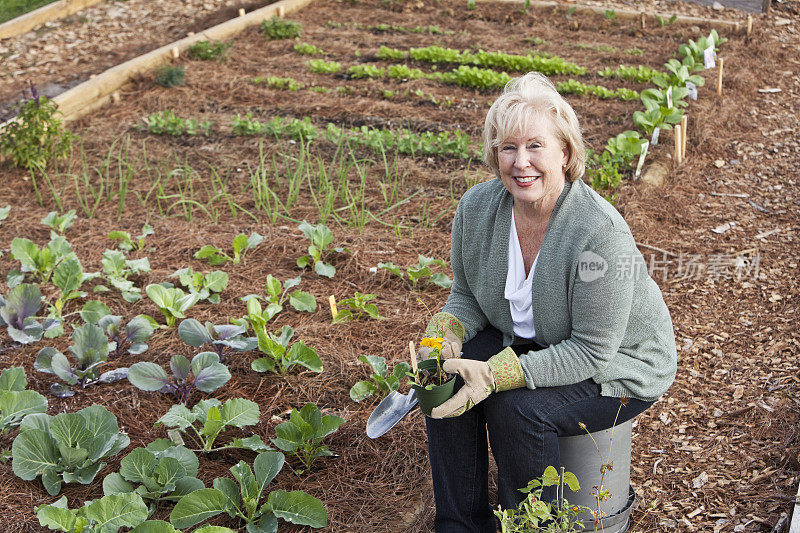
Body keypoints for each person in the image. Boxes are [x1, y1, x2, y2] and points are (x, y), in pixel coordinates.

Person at [418, 72, 677, 532]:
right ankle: (460, 524)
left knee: (516, 409)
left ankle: (531, 527)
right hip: (535, 342)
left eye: (535, 146)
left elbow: (592, 350)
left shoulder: (599, 235)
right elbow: (468, 296)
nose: (521, 163)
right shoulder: (477, 209)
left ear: (566, 153)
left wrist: (498, 374)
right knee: (441, 378)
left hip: (618, 365)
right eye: (508, 147)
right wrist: (445, 334)